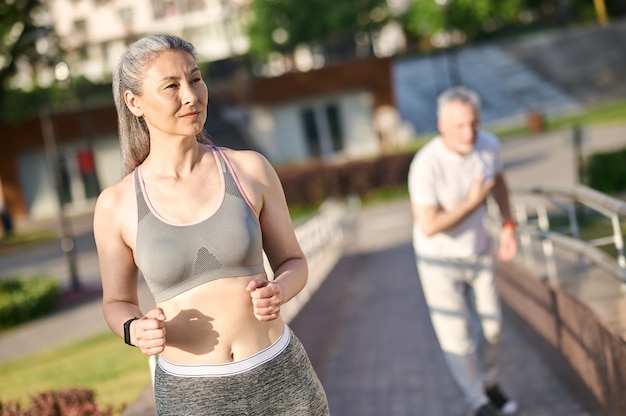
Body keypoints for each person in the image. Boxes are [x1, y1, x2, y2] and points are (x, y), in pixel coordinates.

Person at [93, 34, 329, 415]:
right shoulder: (116, 205)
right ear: (134, 102)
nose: (191, 96)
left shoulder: (250, 169)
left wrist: (280, 290)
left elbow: (293, 262)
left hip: (281, 378)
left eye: (196, 79)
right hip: (192, 397)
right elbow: (117, 302)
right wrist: (133, 329)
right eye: (171, 86)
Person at [407, 87, 519, 416]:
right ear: (442, 124)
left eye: (474, 124)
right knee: (457, 337)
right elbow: (428, 225)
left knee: (493, 327)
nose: (469, 133)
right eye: (460, 126)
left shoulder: (489, 145)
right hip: (437, 260)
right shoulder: (426, 165)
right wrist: (472, 202)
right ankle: (478, 403)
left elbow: (498, 180)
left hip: (479, 252)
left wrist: (509, 223)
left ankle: (489, 381)